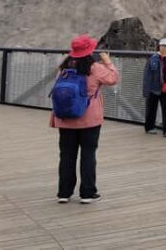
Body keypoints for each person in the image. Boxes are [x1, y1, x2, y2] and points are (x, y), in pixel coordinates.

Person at [50, 34, 119, 204]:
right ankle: (87, 193)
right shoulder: (94, 68)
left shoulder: (64, 68)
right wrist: (108, 62)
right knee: (88, 154)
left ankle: (64, 192)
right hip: (89, 119)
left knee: (66, 155)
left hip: (65, 119)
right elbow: (113, 79)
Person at [143, 37, 166, 137]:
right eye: (162, 46)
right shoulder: (152, 59)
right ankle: (149, 127)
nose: (164, 48)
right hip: (153, 88)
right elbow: (147, 75)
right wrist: (146, 91)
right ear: (159, 46)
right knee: (151, 109)